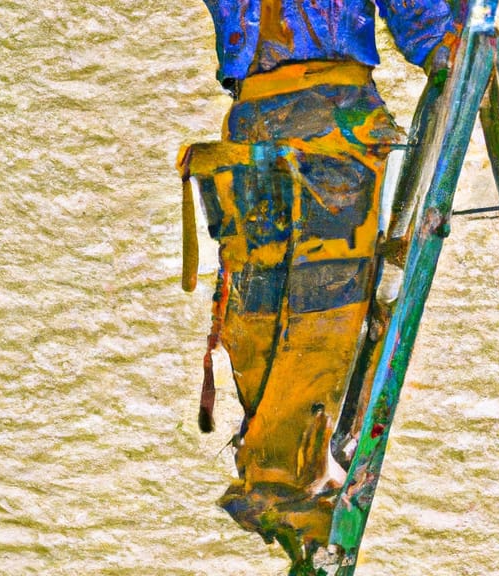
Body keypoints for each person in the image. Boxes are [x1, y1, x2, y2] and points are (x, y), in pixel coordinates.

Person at [184, 0, 457, 570]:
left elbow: (431, 27)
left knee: (289, 317)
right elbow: (428, 26)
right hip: (289, 118)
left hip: (292, 117)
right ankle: (284, 480)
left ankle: (284, 480)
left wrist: (452, 43)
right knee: (286, 319)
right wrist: (448, 42)